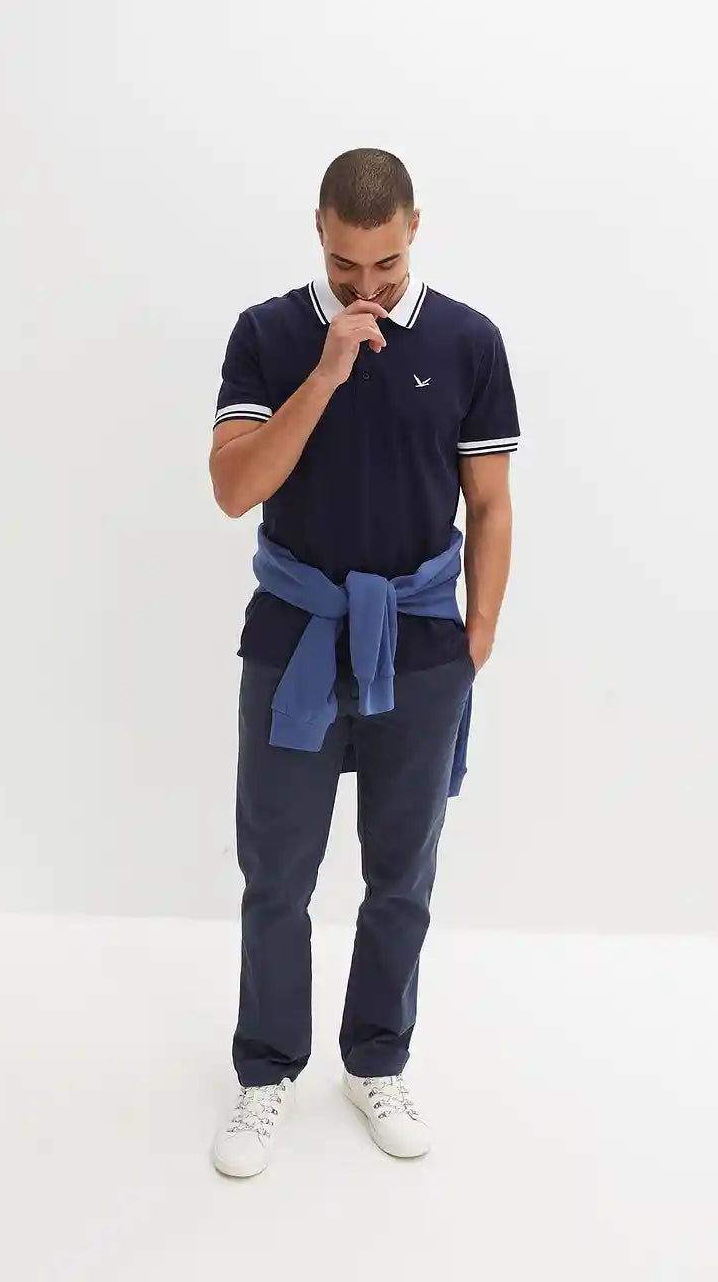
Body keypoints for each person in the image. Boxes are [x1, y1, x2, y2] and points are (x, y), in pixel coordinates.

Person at [208, 148, 520, 1178]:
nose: (366, 287)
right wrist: (329, 369)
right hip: (294, 636)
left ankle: (377, 1062)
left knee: (402, 876)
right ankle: (266, 1073)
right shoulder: (268, 334)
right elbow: (235, 489)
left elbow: (489, 504)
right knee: (277, 874)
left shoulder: (469, 341)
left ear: (414, 229)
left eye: (384, 266)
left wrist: (476, 638)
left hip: (422, 646)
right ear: (319, 232)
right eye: (346, 266)